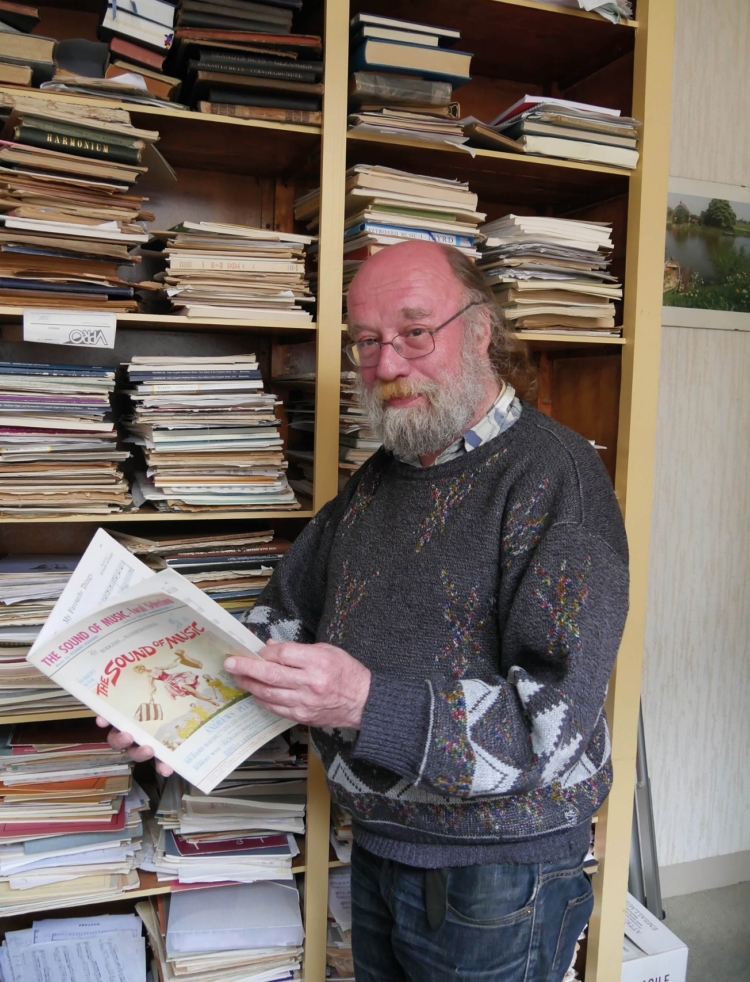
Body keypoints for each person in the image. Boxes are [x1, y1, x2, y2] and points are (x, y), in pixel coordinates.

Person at [102, 241, 629, 982]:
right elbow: (282, 623)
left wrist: (363, 701)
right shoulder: (380, 480)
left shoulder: (558, 481)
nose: (386, 366)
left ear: (480, 330)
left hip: (496, 876)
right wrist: (168, 710)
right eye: (367, 342)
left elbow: (554, 734)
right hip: (379, 845)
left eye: (416, 333)